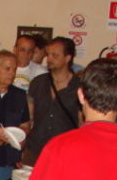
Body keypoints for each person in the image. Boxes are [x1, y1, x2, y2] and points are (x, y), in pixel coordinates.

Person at [24, 37, 81, 166]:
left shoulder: (79, 87)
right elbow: (29, 118)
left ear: (68, 58)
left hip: (65, 153)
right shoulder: (37, 83)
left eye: (55, 55)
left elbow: (82, 123)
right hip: (35, 150)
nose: (49, 59)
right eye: (48, 54)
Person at [0, 50, 30, 180]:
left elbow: (26, 124)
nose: (12, 73)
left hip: (8, 161)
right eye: (7, 69)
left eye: (14, 69)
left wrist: (19, 137)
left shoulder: (19, 95)